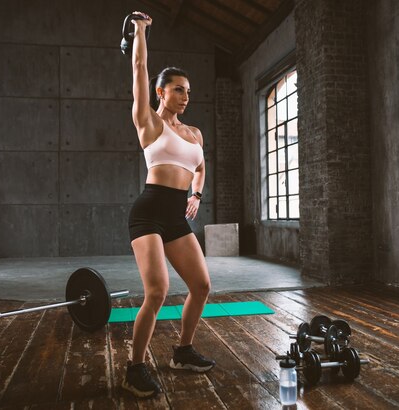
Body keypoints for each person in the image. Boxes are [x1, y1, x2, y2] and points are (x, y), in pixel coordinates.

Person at [122, 11, 215, 399]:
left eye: (188, 90)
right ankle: (135, 367)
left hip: (176, 214)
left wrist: (196, 194)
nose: (185, 95)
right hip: (148, 213)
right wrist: (140, 31)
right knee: (157, 292)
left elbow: (201, 167)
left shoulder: (194, 133)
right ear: (161, 92)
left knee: (202, 285)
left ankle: (182, 351)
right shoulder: (149, 122)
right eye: (178, 88)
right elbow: (141, 68)